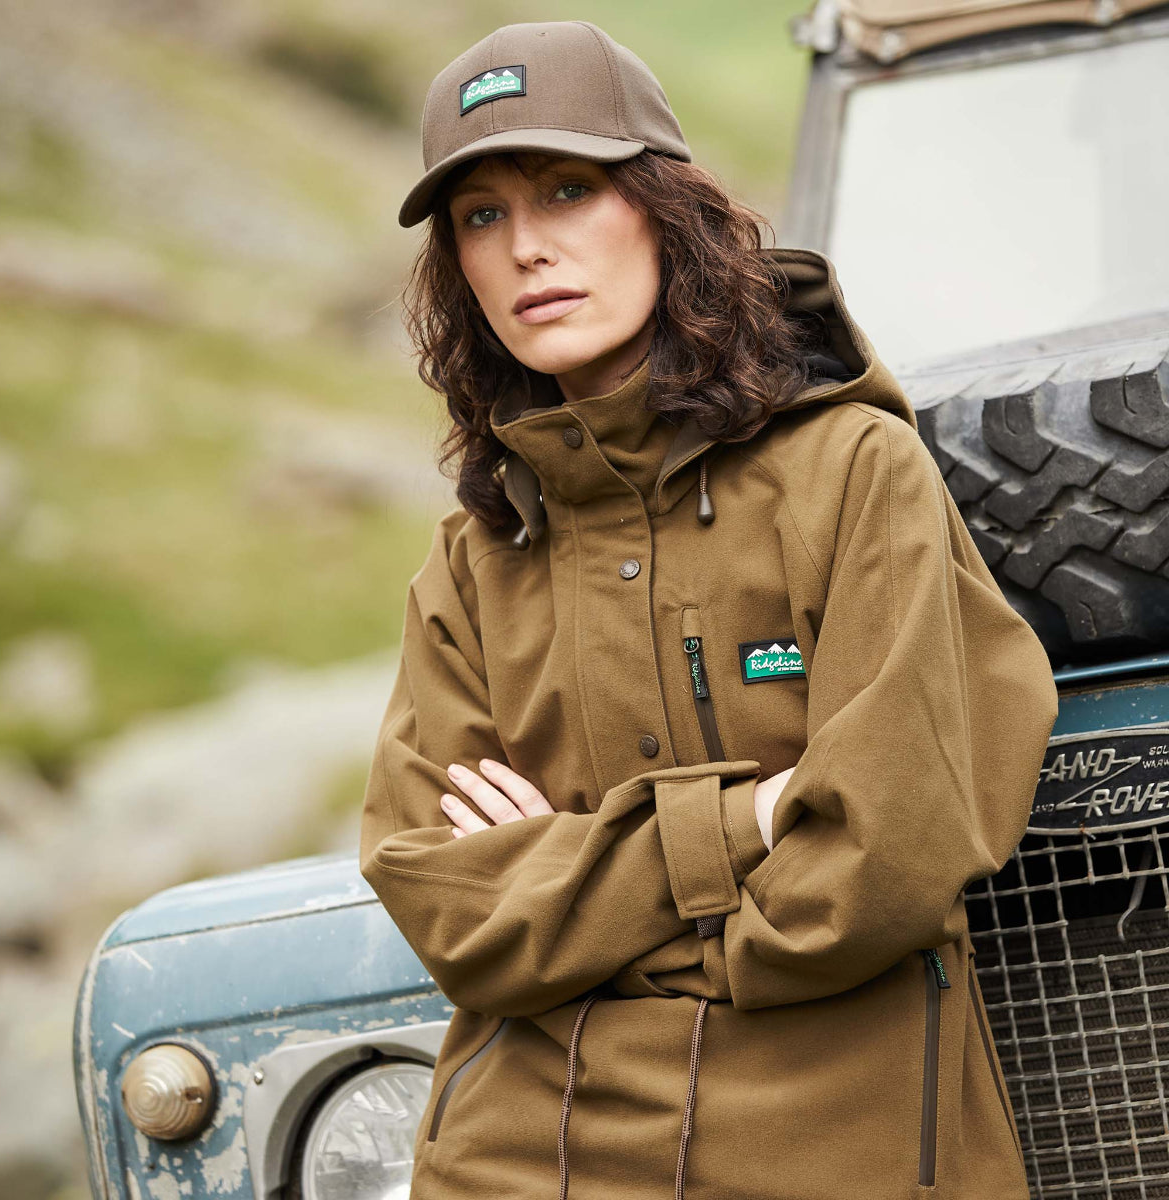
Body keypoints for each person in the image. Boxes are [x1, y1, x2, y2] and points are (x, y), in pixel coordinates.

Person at [359, 19, 1059, 1200]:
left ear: (663, 208)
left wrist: (575, 894)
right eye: (481, 216)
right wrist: (755, 819)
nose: (526, 247)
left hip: (834, 1144)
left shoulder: (851, 472)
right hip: (523, 1162)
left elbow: (888, 857)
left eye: (567, 189)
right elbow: (450, 909)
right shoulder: (473, 564)